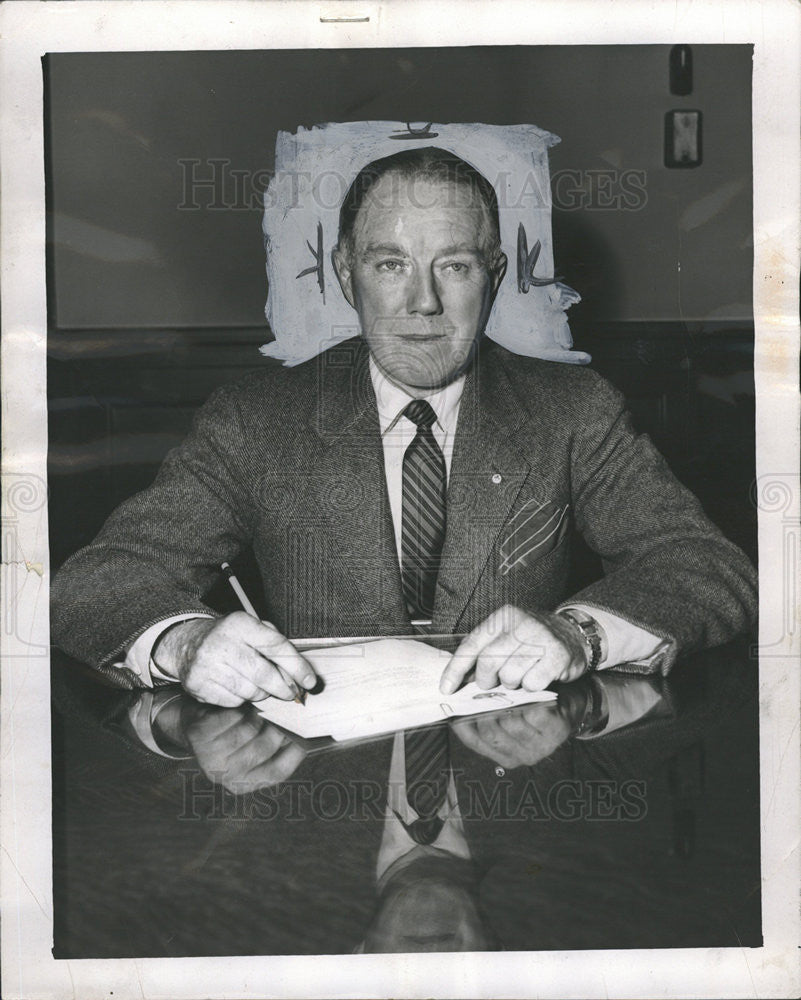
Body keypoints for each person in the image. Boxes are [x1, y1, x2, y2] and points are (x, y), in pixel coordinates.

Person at [50, 147, 757, 707]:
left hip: (515, 784)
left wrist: (580, 635)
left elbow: (706, 567)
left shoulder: (572, 409)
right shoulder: (256, 421)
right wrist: (187, 641)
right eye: (390, 264)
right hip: (321, 788)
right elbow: (97, 583)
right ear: (345, 274)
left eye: (453, 265)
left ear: (495, 274)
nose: (422, 301)